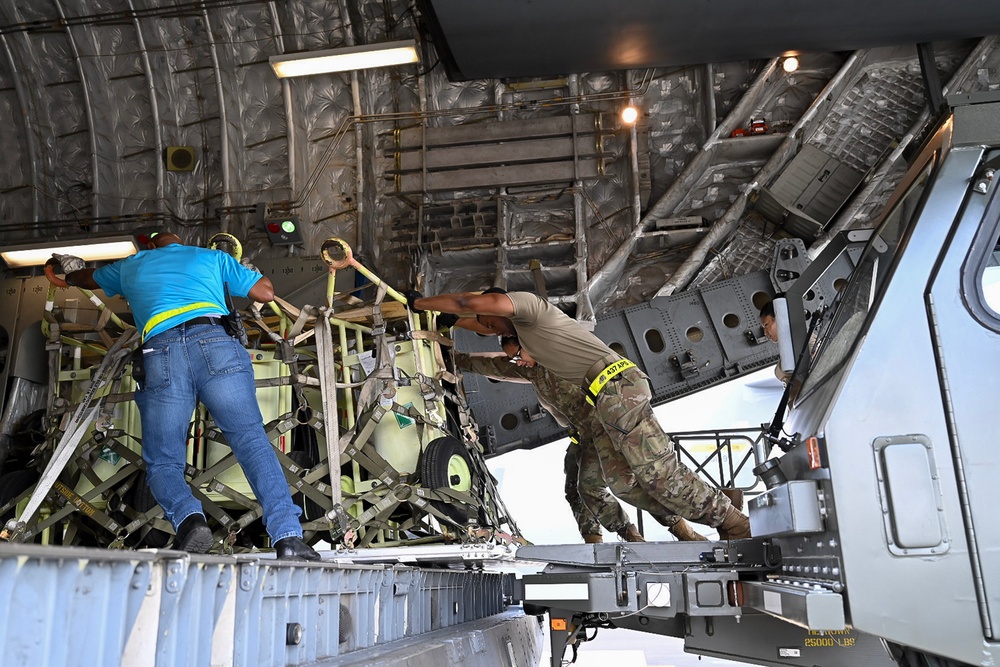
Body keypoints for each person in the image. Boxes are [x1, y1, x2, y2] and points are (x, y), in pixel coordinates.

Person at [51, 233, 320, 560]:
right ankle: (288, 537)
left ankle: (191, 520)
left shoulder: (131, 264)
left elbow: (85, 278)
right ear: (181, 243)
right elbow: (265, 291)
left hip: (161, 352)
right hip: (215, 343)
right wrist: (244, 269)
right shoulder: (210, 258)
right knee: (251, 441)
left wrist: (67, 273)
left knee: (164, 460)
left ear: (150, 247)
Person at [410, 288, 750, 539]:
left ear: (502, 309)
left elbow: (470, 302)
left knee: (657, 473)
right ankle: (694, 520)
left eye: (490, 323)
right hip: (606, 402)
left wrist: (419, 303)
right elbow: (487, 340)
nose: (489, 329)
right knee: (621, 484)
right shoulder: (527, 349)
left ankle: (732, 521)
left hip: (618, 388)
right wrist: (454, 328)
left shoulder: (532, 311)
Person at [454, 336, 707, 542]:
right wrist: (458, 359)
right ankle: (597, 542)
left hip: (605, 430)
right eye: (514, 358)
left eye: (519, 355)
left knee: (599, 487)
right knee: (575, 492)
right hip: (582, 435)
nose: (518, 362)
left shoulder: (561, 359)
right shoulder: (534, 371)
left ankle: (657, 535)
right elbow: (497, 366)